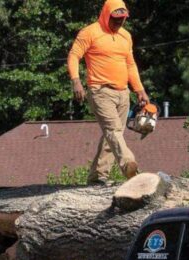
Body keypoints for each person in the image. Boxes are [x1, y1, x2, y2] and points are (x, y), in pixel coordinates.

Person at [68, 0, 150, 184]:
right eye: (115, 19)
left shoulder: (126, 36)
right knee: (114, 131)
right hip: (100, 91)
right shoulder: (90, 32)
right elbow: (74, 55)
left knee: (114, 134)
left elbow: (130, 64)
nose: (119, 22)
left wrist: (139, 90)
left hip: (123, 93)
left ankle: (98, 176)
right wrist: (76, 81)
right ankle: (129, 166)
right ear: (106, 14)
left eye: (123, 19)